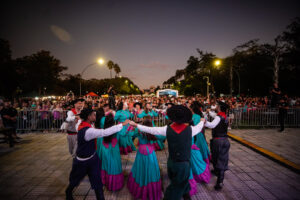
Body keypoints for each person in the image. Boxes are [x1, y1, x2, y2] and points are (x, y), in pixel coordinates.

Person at [130, 105, 205, 200]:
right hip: (183, 164)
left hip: (171, 162)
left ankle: (187, 196)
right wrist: (202, 121)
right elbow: (199, 127)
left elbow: (151, 130)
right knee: (175, 188)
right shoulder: (190, 130)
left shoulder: (167, 129)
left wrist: (136, 125)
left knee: (181, 182)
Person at [65, 108, 129, 200]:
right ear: (89, 117)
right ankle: (68, 191)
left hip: (92, 159)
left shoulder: (84, 124)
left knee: (97, 183)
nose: (96, 116)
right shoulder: (88, 131)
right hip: (82, 161)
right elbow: (104, 132)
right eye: (93, 115)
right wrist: (122, 124)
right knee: (75, 180)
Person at [128, 117, 162, 200]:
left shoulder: (139, 130)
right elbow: (161, 137)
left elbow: (131, 134)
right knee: (151, 169)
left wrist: (130, 128)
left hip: (141, 151)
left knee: (141, 168)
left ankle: (141, 185)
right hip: (150, 151)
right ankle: (151, 190)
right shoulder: (152, 131)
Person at [205, 101, 230, 190]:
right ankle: (217, 172)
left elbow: (212, 125)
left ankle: (220, 181)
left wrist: (204, 121)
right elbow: (215, 117)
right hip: (225, 140)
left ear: (219, 108)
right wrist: (209, 112)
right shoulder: (225, 116)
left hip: (218, 141)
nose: (216, 106)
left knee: (217, 159)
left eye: (217, 105)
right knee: (222, 159)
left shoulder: (219, 117)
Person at [99, 114, 124, 191]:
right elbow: (122, 134)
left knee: (106, 163)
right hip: (113, 147)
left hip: (105, 146)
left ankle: (106, 181)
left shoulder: (103, 129)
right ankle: (114, 184)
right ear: (113, 122)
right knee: (114, 164)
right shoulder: (116, 129)